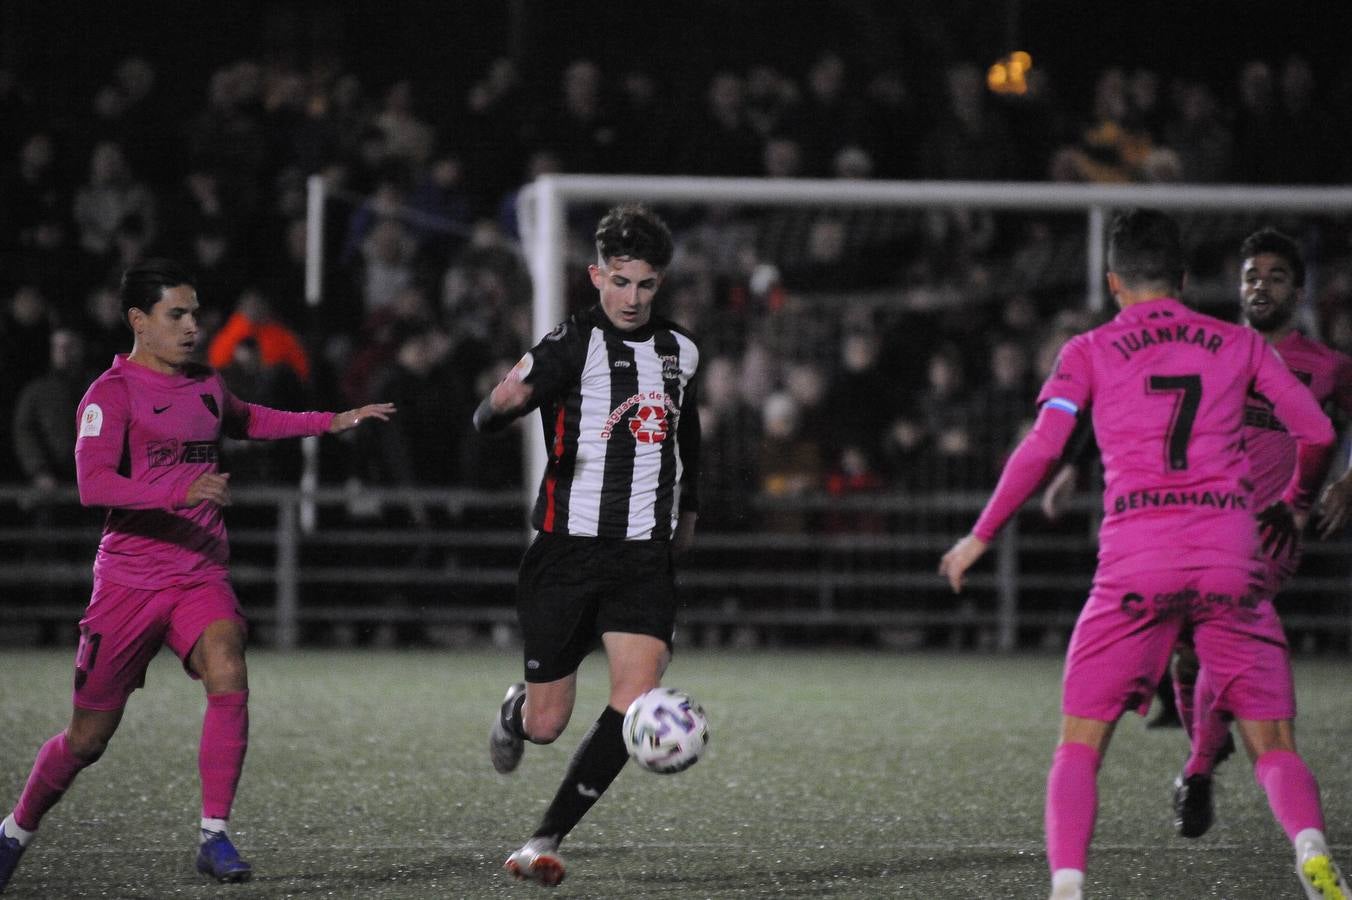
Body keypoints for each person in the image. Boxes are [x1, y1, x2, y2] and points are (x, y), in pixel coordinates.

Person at [938, 210, 1350, 900]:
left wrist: (980, 534)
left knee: (1080, 743)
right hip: (1229, 557)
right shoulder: (1238, 346)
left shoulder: (1089, 350)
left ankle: (1067, 887)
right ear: (1185, 280)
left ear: (1114, 281)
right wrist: (1296, 501)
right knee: (1272, 742)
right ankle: (1312, 851)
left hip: (1136, 559)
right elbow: (1313, 428)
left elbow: (1043, 445)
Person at [0, 258, 394, 892]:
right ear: (139, 321)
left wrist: (333, 420)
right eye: (175, 314)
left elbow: (251, 419)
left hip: (198, 571)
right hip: (128, 581)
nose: (192, 325)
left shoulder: (207, 383)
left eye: (194, 313)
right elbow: (92, 483)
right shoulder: (109, 395)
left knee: (228, 664)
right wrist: (179, 491)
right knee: (87, 738)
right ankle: (15, 830)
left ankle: (214, 835)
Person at [473, 204, 700, 887]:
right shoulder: (569, 343)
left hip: (642, 560)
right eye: (621, 282)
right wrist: (501, 403)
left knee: (635, 702)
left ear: (660, 284)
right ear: (596, 274)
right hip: (566, 555)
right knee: (547, 726)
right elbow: (488, 416)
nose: (632, 298)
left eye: (647, 285)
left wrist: (688, 517)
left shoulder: (681, 351)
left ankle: (542, 840)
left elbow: (691, 442)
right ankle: (517, 711)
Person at [1166, 229, 1352, 839]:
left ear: (1297, 293)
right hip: (1200, 522)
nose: (1260, 286)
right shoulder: (1213, 350)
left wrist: (1346, 484)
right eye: (1251, 276)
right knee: (1188, 648)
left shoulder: (1326, 366)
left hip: (1271, 532)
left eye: (1275, 277)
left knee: (1219, 630)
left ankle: (1195, 772)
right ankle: (1203, 749)